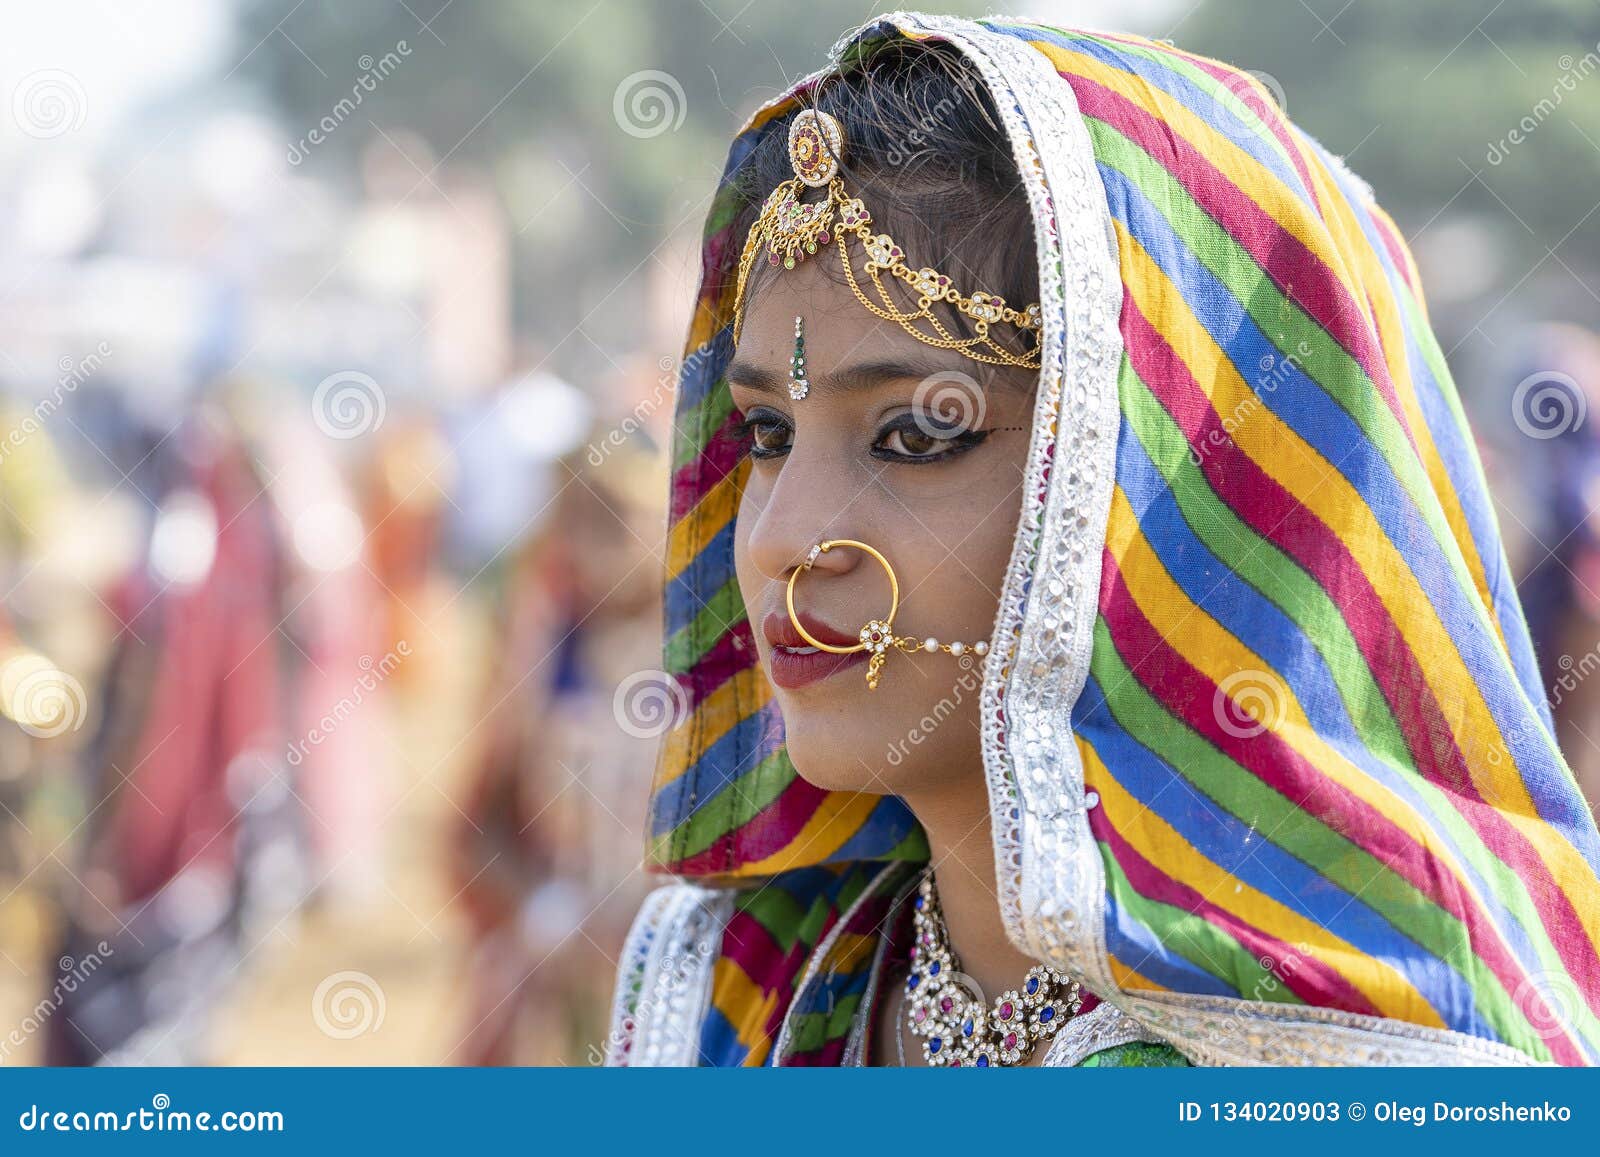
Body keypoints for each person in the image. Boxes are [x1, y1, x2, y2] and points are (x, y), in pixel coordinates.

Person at [603, 12, 1600, 1067]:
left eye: (913, 434)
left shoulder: (1381, 1065)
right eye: (767, 433)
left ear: (1186, 487)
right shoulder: (733, 995)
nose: (782, 540)